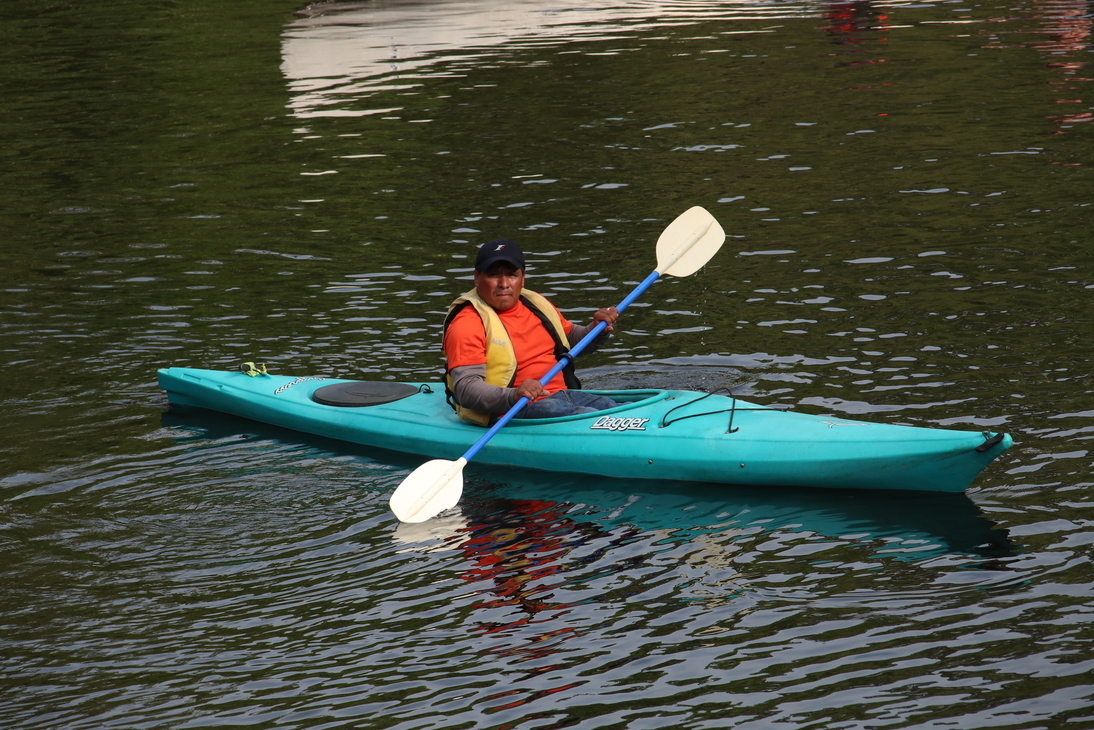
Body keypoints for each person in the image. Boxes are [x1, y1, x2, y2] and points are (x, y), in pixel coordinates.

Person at [443, 238, 621, 425]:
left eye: (512, 275)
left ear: (522, 277)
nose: (504, 283)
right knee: (587, 415)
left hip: (562, 395)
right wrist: (514, 395)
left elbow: (571, 340)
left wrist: (597, 329)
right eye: (494, 275)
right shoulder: (466, 323)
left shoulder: (535, 303)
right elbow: (466, 390)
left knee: (613, 407)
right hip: (511, 410)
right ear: (477, 277)